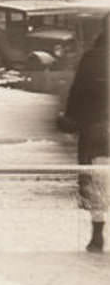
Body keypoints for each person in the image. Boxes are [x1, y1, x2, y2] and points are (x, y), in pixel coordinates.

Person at [59, 20, 108, 253]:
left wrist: (70, 118)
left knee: (95, 181)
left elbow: (77, 92)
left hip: (95, 130)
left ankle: (97, 234)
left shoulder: (91, 59)